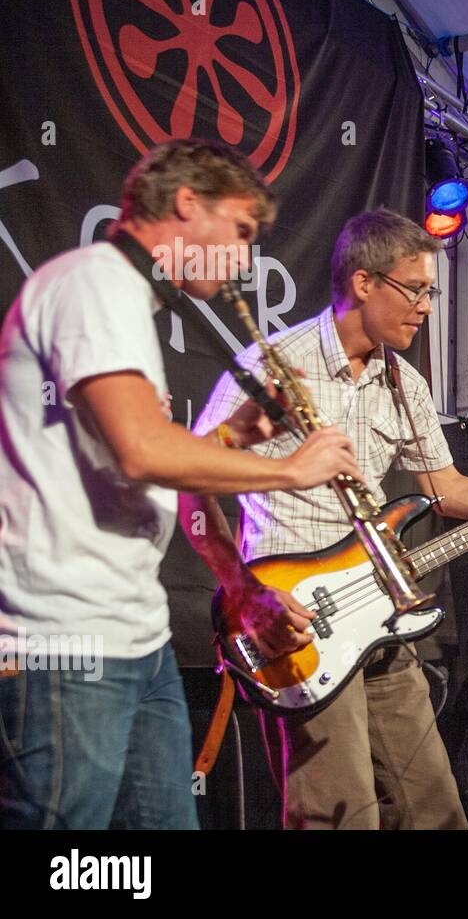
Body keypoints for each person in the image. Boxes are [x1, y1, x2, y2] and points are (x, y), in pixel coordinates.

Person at [181, 208, 468, 829]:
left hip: (381, 628)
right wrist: (244, 593)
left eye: (432, 290)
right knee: (342, 816)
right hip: (298, 630)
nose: (427, 305)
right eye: (416, 288)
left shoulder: (406, 382)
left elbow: (444, 488)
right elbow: (191, 484)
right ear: (364, 283)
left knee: (436, 811)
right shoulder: (276, 367)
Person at [0, 139, 360, 829]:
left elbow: (121, 462)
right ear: (189, 204)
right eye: (243, 231)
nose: (246, 258)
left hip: (134, 637)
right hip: (66, 633)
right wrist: (291, 468)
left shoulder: (125, 298)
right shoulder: (97, 283)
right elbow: (141, 451)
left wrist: (233, 440)